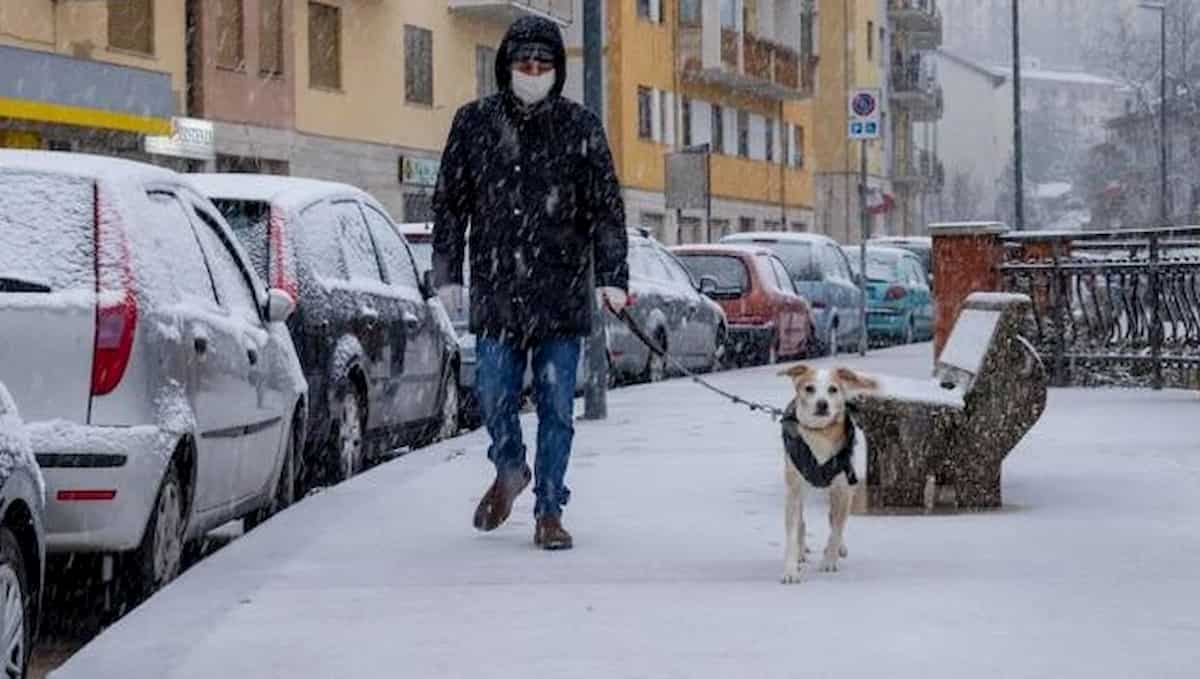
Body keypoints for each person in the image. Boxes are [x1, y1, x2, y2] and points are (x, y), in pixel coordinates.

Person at [431, 15, 629, 550]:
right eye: (524, 63)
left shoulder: (580, 127)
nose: (533, 71)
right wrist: (446, 274)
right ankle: (511, 467)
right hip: (498, 291)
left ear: (557, 69)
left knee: (557, 407)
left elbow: (607, 210)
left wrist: (613, 277)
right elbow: (450, 204)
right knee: (493, 392)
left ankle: (548, 510)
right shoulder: (473, 123)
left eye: (543, 63)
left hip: (561, 297)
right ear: (507, 67)